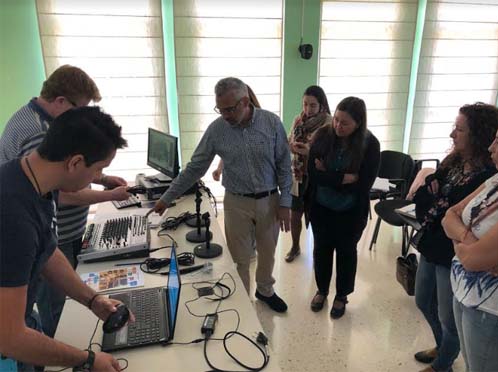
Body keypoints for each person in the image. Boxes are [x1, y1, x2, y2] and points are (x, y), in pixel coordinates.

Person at [0, 65, 130, 338]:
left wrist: (94, 300)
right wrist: (88, 361)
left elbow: (47, 252)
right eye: (97, 170)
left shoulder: (35, 183)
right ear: (74, 163)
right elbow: (11, 338)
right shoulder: (14, 218)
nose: (98, 177)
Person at [152, 77, 292, 313]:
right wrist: (167, 197)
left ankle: (265, 290)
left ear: (245, 101)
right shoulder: (217, 130)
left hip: (269, 200)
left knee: (267, 253)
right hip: (236, 202)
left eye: (230, 109)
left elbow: (284, 165)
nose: (225, 114)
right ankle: (243, 302)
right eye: (220, 109)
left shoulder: (271, 123)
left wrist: (286, 201)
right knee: (240, 258)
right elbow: (195, 167)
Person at [411, 103, 498, 372]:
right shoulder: (455, 163)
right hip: (433, 245)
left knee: (448, 317)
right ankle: (445, 346)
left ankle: (444, 362)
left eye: (459, 129)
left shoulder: (487, 175)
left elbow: (457, 216)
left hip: (452, 257)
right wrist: (440, 203)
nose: (452, 135)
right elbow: (429, 202)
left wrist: (449, 215)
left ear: (478, 135)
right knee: (423, 301)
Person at [293, 96, 380, 318]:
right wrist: (344, 178)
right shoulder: (323, 135)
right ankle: (322, 290)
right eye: (337, 120)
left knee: (346, 253)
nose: (338, 126)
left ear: (358, 123)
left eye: (345, 123)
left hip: (350, 211)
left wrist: (329, 174)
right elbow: (314, 175)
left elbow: (364, 183)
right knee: (321, 251)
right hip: (321, 208)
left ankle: (341, 295)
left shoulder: (370, 144)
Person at [442, 121, 498, 372]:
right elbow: (449, 216)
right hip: (464, 290)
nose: (491, 147)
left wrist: (461, 240)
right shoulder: (496, 180)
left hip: (490, 308)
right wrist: (468, 240)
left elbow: (471, 259)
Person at [285, 85, 332, 263]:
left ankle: (318, 251)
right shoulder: (299, 120)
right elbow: (290, 139)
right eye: (305, 104)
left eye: (312, 105)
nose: (307, 109)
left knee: (317, 217)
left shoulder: (329, 122)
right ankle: (295, 246)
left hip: (317, 177)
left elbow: (331, 152)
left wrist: (309, 152)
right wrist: (291, 146)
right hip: (298, 174)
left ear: (321, 105)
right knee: (294, 214)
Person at [212, 84, 261, 182]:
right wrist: (219, 169)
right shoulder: (228, 124)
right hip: (235, 188)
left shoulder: (264, 124)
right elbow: (230, 151)